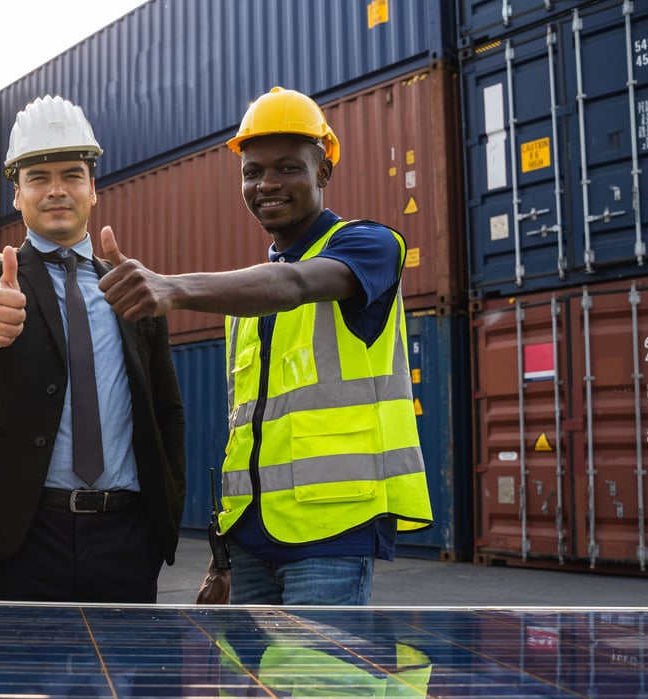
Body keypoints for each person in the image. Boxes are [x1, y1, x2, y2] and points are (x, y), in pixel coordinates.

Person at [100, 86, 433, 605]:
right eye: (252, 172)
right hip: (251, 541)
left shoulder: (370, 246)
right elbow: (248, 428)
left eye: (287, 168)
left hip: (331, 534)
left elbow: (296, 285)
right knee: (251, 687)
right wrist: (222, 551)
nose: (267, 184)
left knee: (313, 684)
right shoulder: (245, 298)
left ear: (323, 171)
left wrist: (172, 287)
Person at [0, 95, 186, 603]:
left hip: (126, 536)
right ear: (17, 194)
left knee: (123, 681)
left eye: (72, 175)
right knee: (10, 679)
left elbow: (167, 412)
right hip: (17, 537)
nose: (56, 191)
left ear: (93, 189)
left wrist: (166, 514)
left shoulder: (132, 285)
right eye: (38, 178)